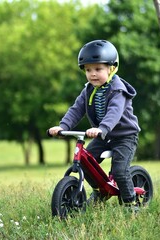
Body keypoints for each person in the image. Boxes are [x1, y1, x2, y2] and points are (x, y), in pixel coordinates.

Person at [48, 39, 140, 211]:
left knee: (120, 171)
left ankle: (130, 202)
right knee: (85, 162)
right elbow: (76, 109)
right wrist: (63, 126)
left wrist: (101, 128)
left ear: (111, 68)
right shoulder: (88, 90)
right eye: (88, 70)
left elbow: (114, 112)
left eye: (98, 69)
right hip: (103, 136)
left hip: (124, 136)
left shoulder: (118, 90)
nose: (93, 74)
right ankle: (100, 190)